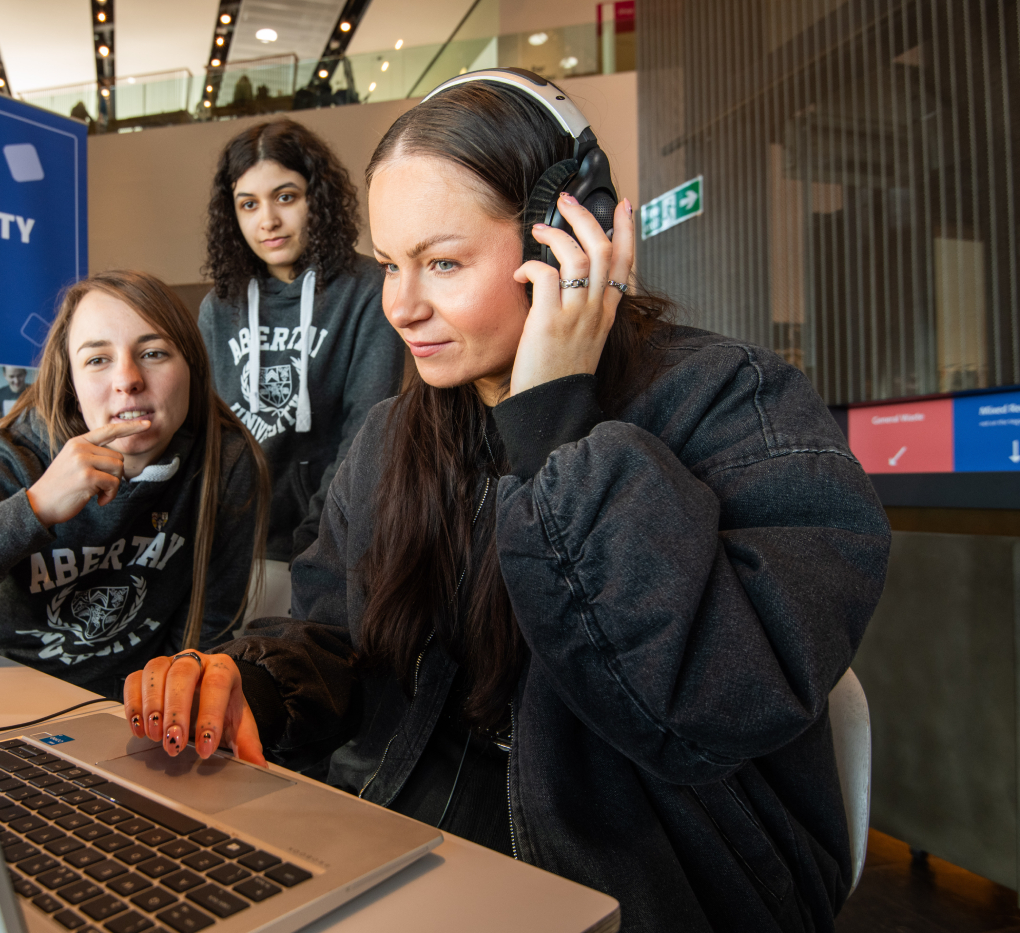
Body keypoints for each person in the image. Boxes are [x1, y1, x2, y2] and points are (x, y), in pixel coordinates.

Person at [122, 74, 891, 931]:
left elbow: (707, 702)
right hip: (403, 844)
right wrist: (250, 681)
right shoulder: (390, 438)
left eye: (442, 262)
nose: (401, 307)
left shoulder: (734, 403)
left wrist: (555, 422)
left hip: (636, 881)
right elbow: (340, 638)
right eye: (389, 265)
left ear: (569, 239)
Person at [0, 271, 269, 698]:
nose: (128, 379)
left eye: (153, 353)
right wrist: (35, 507)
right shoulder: (17, 457)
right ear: (72, 384)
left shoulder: (224, 461)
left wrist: (154, 718)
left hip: (122, 717)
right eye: (98, 360)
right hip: (0, 702)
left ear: (191, 365)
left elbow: (204, 636)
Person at [198, 119, 406, 613]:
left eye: (285, 196)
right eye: (248, 204)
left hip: (329, 544)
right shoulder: (219, 306)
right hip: (232, 548)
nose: (266, 220)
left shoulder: (366, 290)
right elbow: (207, 434)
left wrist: (315, 543)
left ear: (319, 196)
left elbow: (364, 433)